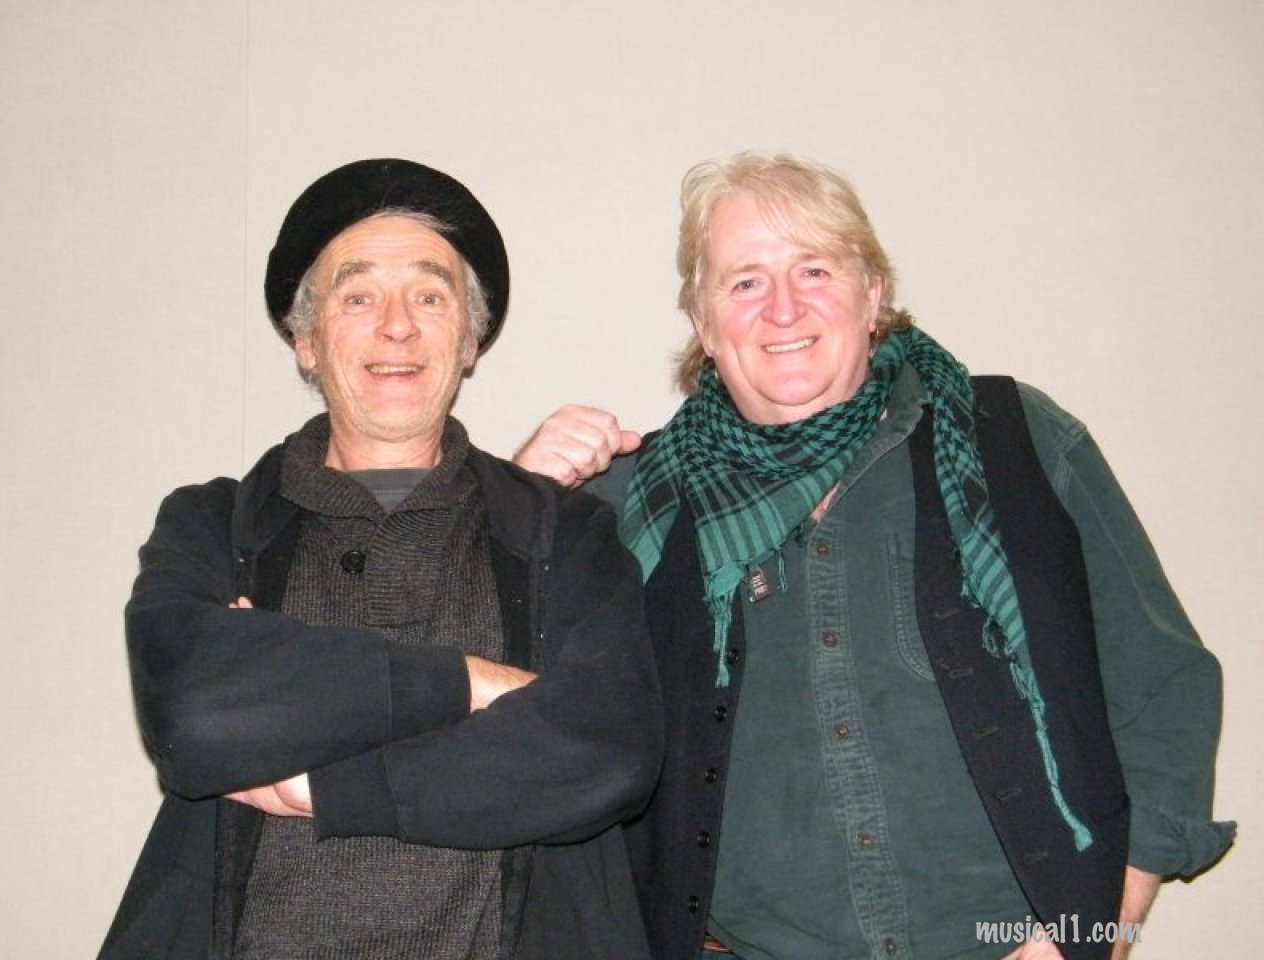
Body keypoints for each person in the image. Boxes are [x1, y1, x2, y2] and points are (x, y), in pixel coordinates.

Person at [514, 151, 1235, 960]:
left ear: (872, 295)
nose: (783, 307)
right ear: (703, 325)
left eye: (814, 269)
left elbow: (1164, 688)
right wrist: (521, 504)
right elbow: (504, 707)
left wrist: (1098, 925)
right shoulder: (632, 505)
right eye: (745, 281)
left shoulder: (1015, 441)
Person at [99, 158, 663, 960]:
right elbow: (195, 717)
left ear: (469, 342)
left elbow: (606, 752)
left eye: (430, 297)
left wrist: (324, 781)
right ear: (305, 342)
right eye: (358, 296)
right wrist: (477, 685)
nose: (397, 326)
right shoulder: (213, 525)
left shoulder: (565, 533)